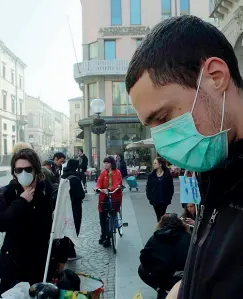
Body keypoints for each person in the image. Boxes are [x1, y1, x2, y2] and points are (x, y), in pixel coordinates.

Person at [125, 14, 243, 299]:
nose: (162, 144)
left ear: (216, 77)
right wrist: (186, 285)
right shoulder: (218, 170)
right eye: (153, 128)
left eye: (164, 117)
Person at [0, 148, 62, 296]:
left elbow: (62, 225)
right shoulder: (5, 192)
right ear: (14, 172)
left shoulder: (51, 192)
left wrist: (61, 258)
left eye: (28, 169)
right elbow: (0, 223)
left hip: (42, 261)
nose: (23, 173)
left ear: (36, 170)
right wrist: (21, 201)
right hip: (14, 262)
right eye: (19, 170)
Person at [138, 214, 191, 299]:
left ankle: (160, 290)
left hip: (160, 276)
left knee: (141, 269)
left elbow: (144, 257)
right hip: (179, 277)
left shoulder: (155, 237)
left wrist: (153, 267)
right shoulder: (187, 237)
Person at [61, 159, 85, 260]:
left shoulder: (63, 176)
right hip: (75, 207)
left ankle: (65, 250)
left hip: (64, 207)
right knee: (75, 227)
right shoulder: (75, 178)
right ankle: (71, 251)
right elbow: (81, 195)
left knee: (66, 227)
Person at [96, 156, 122, 248]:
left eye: (107, 163)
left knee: (112, 214)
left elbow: (117, 184)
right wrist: (98, 188)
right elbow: (99, 182)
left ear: (112, 163)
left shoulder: (117, 172)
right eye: (105, 163)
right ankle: (103, 234)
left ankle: (109, 236)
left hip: (114, 195)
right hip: (104, 196)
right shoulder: (103, 173)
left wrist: (109, 189)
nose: (106, 164)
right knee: (102, 217)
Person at [146, 158, 174, 222]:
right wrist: (150, 197)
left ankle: (161, 229)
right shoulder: (151, 175)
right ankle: (161, 229)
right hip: (155, 200)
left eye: (155, 163)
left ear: (160, 164)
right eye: (153, 163)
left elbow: (171, 187)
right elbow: (148, 187)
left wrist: (169, 197)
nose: (153, 164)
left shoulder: (167, 174)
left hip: (164, 200)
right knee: (159, 216)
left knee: (162, 216)